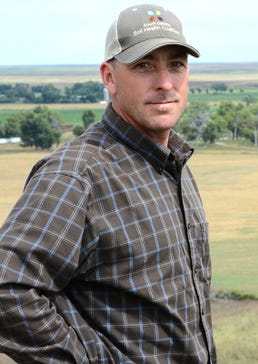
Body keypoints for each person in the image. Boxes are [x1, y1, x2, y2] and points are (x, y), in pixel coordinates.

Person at [0, 4, 216, 363]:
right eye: (144, 65)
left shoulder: (172, 161)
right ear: (109, 76)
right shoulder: (77, 174)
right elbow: (7, 288)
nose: (165, 82)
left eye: (176, 64)